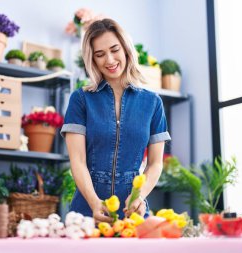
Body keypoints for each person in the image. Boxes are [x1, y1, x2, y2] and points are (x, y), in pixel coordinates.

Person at [60, 18, 171, 223]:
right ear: (92, 59)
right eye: (100, 54)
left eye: (114, 49)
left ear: (126, 49)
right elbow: (78, 161)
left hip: (134, 211)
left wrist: (139, 196)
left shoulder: (152, 102)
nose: (109, 60)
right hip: (86, 211)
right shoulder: (81, 99)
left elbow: (155, 163)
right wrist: (94, 202)